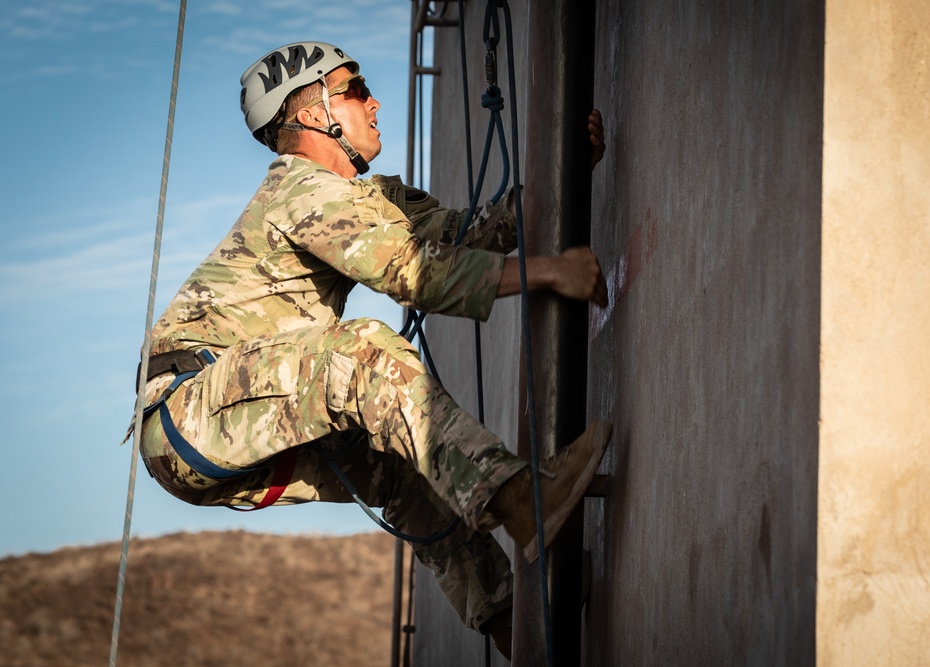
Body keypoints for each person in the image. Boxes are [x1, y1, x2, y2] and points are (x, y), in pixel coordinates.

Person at [134, 41, 611, 659]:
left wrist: (571, 168)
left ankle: (523, 628)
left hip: (245, 425)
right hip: (190, 410)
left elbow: (471, 235)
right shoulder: (299, 191)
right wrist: (548, 273)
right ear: (315, 113)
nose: (374, 100)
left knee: (410, 475)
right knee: (358, 354)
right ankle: (523, 499)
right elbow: (413, 273)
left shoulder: (369, 199)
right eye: (355, 89)